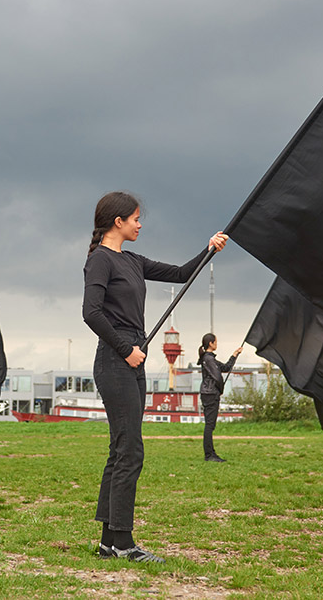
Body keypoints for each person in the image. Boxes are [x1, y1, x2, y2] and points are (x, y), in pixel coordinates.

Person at [83, 191, 228, 563]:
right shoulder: (100, 260)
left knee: (121, 451)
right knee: (130, 451)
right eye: (135, 219)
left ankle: (107, 543)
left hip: (136, 360)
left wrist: (209, 249)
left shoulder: (132, 261)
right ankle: (124, 544)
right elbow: (91, 312)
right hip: (117, 361)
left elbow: (180, 275)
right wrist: (126, 349)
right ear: (118, 222)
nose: (139, 224)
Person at [197, 334, 242, 462]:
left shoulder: (209, 358)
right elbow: (217, 377)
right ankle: (209, 455)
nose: (217, 344)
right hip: (211, 394)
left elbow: (225, 368)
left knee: (209, 425)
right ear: (211, 343)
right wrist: (220, 390)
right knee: (210, 425)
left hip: (208, 393)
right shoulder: (209, 359)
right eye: (216, 341)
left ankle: (210, 453)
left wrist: (234, 355)